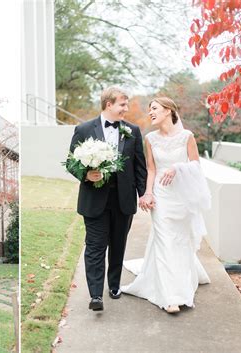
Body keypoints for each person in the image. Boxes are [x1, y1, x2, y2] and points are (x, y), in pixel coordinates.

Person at [121, 96, 211, 314]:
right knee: (164, 241)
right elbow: (151, 169)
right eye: (149, 109)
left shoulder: (187, 136)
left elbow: (195, 164)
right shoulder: (150, 138)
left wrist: (177, 168)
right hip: (161, 195)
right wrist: (148, 193)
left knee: (180, 240)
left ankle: (182, 279)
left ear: (169, 110)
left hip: (182, 196)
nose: (150, 112)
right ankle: (171, 297)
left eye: (154, 108)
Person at [66, 87, 147, 312]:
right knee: (95, 246)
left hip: (123, 200)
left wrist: (144, 194)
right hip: (94, 200)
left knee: (118, 245)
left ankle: (113, 285)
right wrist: (86, 174)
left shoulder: (133, 131)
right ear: (108, 104)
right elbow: (71, 162)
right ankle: (95, 294)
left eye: (127, 104)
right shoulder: (83, 129)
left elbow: (139, 166)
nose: (126, 109)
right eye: (122, 104)